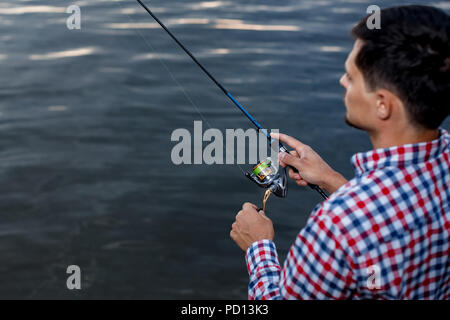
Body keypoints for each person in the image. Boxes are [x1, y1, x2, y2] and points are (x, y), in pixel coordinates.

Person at [230, 5, 450, 299]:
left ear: (383, 104)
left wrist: (258, 246)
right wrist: (332, 180)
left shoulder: (336, 224)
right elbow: (392, 216)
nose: (342, 82)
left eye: (351, 76)